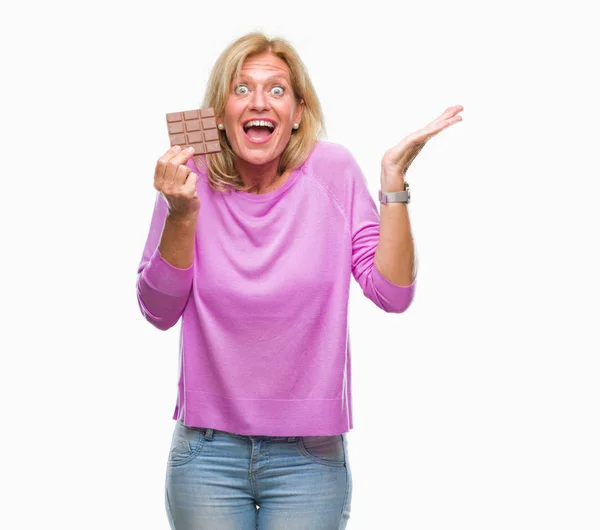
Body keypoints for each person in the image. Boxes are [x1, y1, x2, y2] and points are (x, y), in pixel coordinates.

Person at [136, 31, 462, 530]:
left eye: (276, 89)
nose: (258, 101)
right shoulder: (189, 178)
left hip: (309, 458)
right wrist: (180, 214)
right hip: (206, 452)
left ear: (298, 111)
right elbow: (158, 311)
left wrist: (393, 182)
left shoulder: (333, 171)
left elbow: (392, 293)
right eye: (240, 89)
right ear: (218, 114)